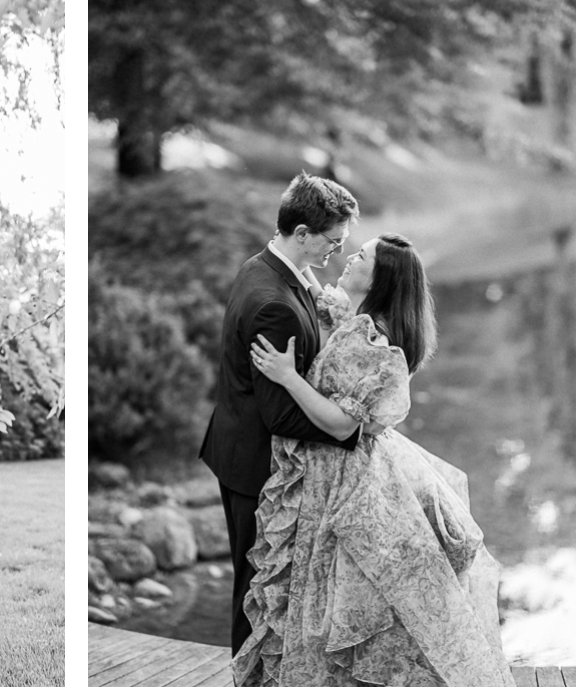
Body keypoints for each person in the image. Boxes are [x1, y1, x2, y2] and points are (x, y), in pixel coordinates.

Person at [234, 234, 513, 686]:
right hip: (337, 469)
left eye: (360, 256)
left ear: (378, 277)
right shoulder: (359, 320)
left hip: (345, 478)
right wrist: (293, 258)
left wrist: (288, 378)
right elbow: (319, 297)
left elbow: (344, 425)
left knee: (338, 597)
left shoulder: (372, 339)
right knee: (329, 595)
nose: (349, 257)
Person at [198, 172, 362, 655]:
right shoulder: (275, 305)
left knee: (254, 587)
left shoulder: (263, 266)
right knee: (253, 593)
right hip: (254, 465)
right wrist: (351, 427)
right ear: (303, 234)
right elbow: (281, 417)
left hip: (235, 447)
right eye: (332, 241)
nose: (336, 250)